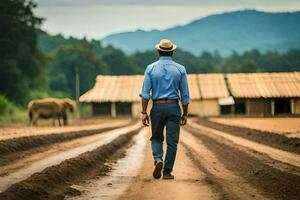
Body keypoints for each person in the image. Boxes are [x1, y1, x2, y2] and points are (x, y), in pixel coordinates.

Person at [140, 39, 190, 180]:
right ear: (172, 51)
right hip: (174, 107)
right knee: (172, 141)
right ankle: (167, 172)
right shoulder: (180, 69)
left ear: (158, 51)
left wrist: (144, 112)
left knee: (156, 137)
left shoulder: (151, 68)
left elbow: (145, 94)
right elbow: (185, 96)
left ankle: (158, 159)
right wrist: (185, 113)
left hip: (157, 107)